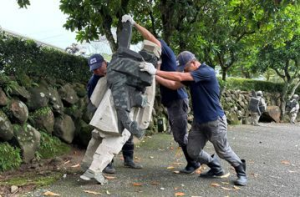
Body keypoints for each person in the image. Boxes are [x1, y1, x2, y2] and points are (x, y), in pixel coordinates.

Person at [139, 51, 247, 186]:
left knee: (223, 150)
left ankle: (241, 171)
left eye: (185, 68)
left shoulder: (206, 71)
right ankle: (215, 167)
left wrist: (155, 70)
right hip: (199, 122)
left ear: (194, 63)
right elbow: (174, 84)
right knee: (192, 151)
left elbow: (179, 75)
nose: (183, 71)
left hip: (215, 121)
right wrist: (154, 76)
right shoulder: (193, 77)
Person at [80, 18, 159, 184]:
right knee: (113, 141)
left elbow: (124, 42)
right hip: (114, 113)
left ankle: (88, 164)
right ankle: (93, 169)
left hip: (111, 110)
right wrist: (133, 127)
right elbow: (122, 103)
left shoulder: (117, 63)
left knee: (98, 136)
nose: (96, 71)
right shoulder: (114, 75)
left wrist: (128, 25)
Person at [122, 15, 200, 173]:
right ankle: (193, 161)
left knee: (181, 136)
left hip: (177, 100)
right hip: (173, 102)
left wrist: (135, 23)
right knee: (179, 135)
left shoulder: (167, 53)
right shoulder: (162, 62)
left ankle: (198, 161)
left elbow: (150, 37)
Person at [85, 54, 143, 175]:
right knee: (107, 135)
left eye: (98, 67)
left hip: (123, 104)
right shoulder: (94, 81)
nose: (96, 71)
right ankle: (107, 163)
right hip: (105, 109)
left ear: (105, 63)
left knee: (127, 133)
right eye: (94, 69)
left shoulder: (117, 68)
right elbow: (93, 101)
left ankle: (128, 159)